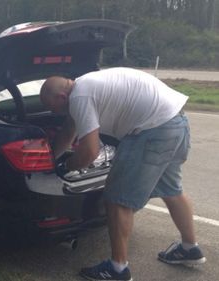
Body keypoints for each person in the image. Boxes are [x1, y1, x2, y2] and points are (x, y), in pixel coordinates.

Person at [40, 67, 206, 281]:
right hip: (176, 122)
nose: (55, 114)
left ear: (62, 97)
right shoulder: (83, 85)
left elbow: (89, 152)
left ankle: (117, 269)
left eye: (53, 108)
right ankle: (189, 248)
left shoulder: (80, 96)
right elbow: (69, 130)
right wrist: (53, 156)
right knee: (172, 190)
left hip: (152, 131)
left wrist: (65, 166)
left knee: (117, 200)